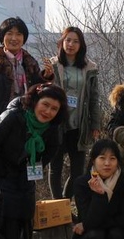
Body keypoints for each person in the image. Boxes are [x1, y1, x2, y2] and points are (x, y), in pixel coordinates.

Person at [0, 83, 67, 239]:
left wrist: (35, 165)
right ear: (35, 101)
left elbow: (51, 150)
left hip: (26, 172)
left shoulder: (52, 127)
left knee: (27, 213)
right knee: (9, 214)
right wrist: (1, 171)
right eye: (45, 105)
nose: (48, 111)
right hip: (2, 172)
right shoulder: (13, 117)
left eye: (54, 108)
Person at [43, 27, 101, 199]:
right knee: (55, 168)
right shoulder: (53, 65)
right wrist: (45, 76)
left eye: (76, 41)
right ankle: (57, 205)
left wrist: (95, 124)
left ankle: (65, 203)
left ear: (81, 45)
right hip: (56, 123)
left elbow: (94, 98)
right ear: (62, 42)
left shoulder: (90, 68)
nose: (71, 44)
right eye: (68, 40)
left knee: (78, 171)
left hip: (79, 124)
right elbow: (42, 91)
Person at [0, 17, 48, 130]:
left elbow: (38, 93)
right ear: (2, 37)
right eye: (9, 33)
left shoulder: (30, 63)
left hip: (25, 123)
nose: (14, 38)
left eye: (18, 34)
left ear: (24, 38)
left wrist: (46, 77)